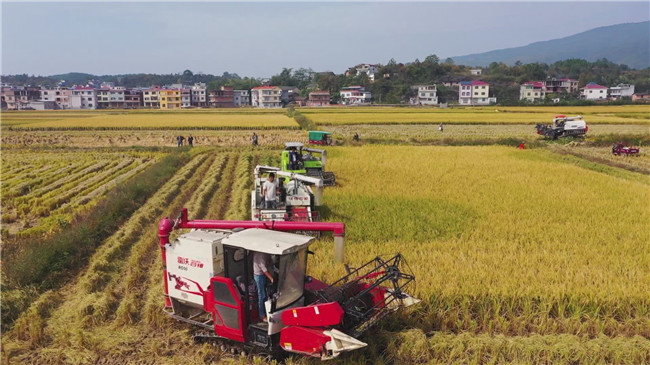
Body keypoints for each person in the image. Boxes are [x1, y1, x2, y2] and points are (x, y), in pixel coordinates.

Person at [253, 251, 274, 322]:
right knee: (261, 295)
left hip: (263, 275)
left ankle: (267, 311)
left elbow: (270, 261)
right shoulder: (260, 255)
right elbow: (264, 269)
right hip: (259, 276)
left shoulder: (266, 253)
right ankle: (262, 316)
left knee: (266, 294)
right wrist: (271, 278)